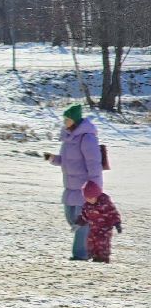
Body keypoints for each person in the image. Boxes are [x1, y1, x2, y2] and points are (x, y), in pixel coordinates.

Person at [45, 103, 102, 261]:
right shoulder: (68, 138)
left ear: (75, 120)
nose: (65, 122)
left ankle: (81, 254)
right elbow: (66, 160)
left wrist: (95, 187)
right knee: (71, 219)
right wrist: (52, 159)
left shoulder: (87, 138)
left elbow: (94, 163)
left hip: (85, 188)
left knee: (81, 222)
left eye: (67, 119)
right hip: (70, 187)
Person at [75, 181, 121, 264]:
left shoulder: (105, 203)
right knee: (91, 242)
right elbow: (84, 215)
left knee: (102, 243)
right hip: (93, 228)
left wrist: (117, 223)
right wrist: (80, 222)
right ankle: (94, 257)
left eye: (91, 198)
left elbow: (113, 213)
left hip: (105, 229)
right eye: (87, 198)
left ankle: (103, 258)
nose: (89, 200)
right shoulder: (87, 205)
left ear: (96, 195)